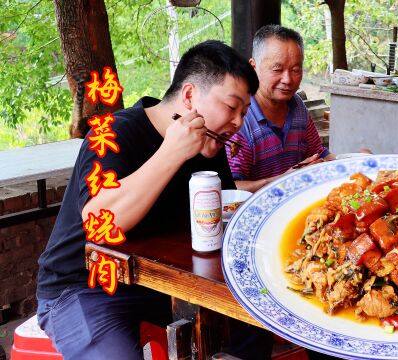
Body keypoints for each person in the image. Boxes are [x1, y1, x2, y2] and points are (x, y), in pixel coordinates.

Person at [35, 40, 266, 359]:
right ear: (189, 96)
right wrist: (171, 153)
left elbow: (219, 222)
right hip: (83, 287)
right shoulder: (114, 134)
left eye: (244, 113)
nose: (239, 123)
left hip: (165, 284)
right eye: (231, 107)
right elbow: (100, 222)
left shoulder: (211, 148)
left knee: (256, 327)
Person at [226, 25, 335, 192]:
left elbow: (319, 153)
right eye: (277, 69)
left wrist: (345, 166)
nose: (288, 79)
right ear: (253, 67)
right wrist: (286, 180)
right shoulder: (240, 120)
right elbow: (233, 189)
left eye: (295, 70)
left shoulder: (297, 105)